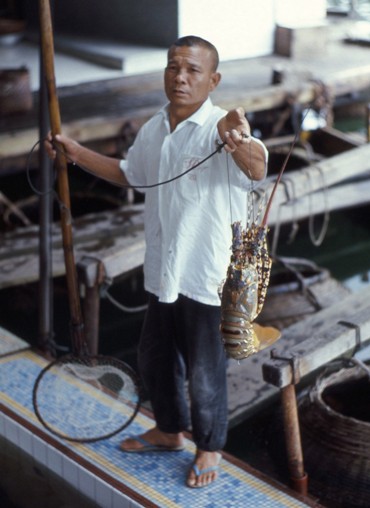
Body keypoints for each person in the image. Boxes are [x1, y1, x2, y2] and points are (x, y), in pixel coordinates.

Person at [46, 35, 267, 488]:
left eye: (192, 70)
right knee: (156, 358)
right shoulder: (154, 127)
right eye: (173, 67)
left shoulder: (221, 128)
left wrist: (236, 137)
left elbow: (257, 166)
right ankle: (169, 430)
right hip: (164, 272)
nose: (180, 77)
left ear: (213, 80)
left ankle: (209, 446)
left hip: (206, 276)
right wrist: (76, 152)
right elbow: (130, 174)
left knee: (206, 373)